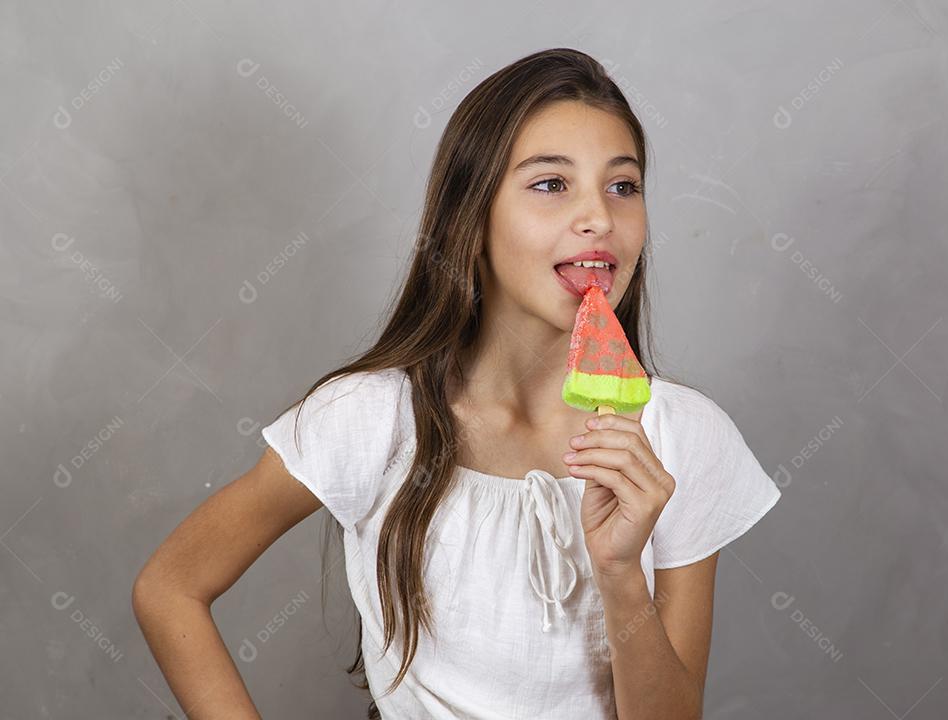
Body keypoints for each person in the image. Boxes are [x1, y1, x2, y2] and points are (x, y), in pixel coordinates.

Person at [132, 47, 782, 720]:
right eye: (551, 184)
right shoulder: (371, 418)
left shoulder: (685, 438)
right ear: (470, 221)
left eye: (623, 186)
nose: (599, 218)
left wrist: (621, 574)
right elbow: (170, 586)